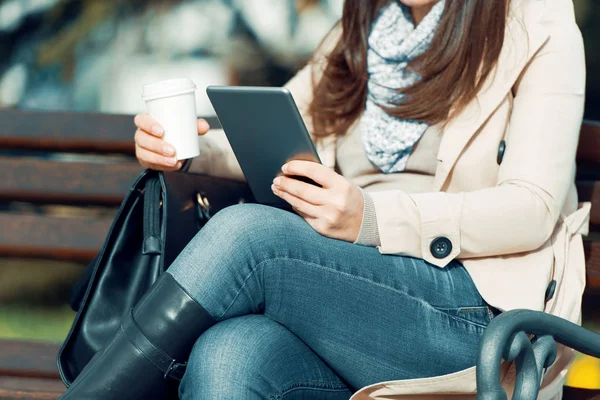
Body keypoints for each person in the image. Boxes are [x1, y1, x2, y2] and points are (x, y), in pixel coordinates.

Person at [59, 0, 588, 399]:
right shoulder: (361, 34)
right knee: (230, 356)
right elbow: (280, 135)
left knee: (249, 235)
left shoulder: (535, 25)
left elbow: (533, 207)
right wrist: (186, 151)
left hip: (471, 318)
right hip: (350, 302)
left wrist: (374, 218)